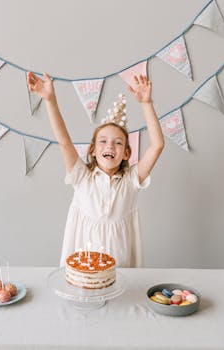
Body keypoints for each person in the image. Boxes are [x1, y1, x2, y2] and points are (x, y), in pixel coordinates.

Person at [27, 72, 164, 267]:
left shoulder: (132, 180)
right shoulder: (82, 177)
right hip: (84, 271)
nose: (109, 147)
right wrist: (50, 100)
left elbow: (157, 145)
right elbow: (64, 141)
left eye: (117, 143)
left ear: (126, 153)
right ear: (92, 150)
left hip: (120, 270)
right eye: (103, 141)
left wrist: (146, 104)